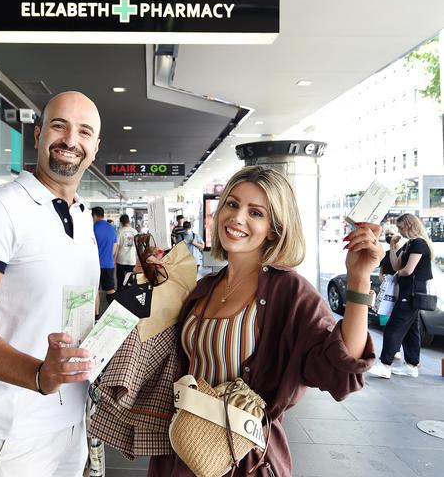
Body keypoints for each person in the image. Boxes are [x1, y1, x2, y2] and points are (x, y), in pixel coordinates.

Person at [149, 165, 380, 477]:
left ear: (274, 228)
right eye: (232, 204)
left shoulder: (288, 291)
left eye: (255, 212)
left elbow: (341, 368)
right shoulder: (204, 287)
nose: (238, 218)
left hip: (241, 460)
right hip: (181, 451)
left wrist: (359, 279)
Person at [0, 91, 100, 476]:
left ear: (95, 148)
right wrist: (38, 373)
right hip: (12, 428)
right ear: (38, 135)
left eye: (84, 131)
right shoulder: (0, 210)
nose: (71, 140)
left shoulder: (82, 217)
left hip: (71, 421)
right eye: (59, 125)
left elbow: (73, 311)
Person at [369, 213, 433, 379]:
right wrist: (393, 247)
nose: (399, 231)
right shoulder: (409, 244)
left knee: (393, 327)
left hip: (412, 292)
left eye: (401, 227)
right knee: (411, 330)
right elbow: (396, 264)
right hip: (408, 291)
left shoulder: (419, 243)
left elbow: (407, 270)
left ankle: (385, 364)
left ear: (410, 226)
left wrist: (395, 276)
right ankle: (411, 366)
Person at [92, 206, 117, 315]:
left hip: (95, 265)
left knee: (95, 291)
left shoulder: (92, 227)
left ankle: (96, 315)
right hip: (109, 264)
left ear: (94, 216)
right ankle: (116, 313)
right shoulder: (112, 228)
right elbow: (115, 246)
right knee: (111, 290)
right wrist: (109, 257)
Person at [115, 214, 138, 290]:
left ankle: (119, 297)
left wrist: (114, 259)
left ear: (121, 222)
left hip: (121, 260)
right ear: (129, 221)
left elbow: (117, 246)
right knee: (130, 281)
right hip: (131, 260)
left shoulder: (119, 231)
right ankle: (128, 298)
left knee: (120, 280)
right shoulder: (135, 232)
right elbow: (138, 246)